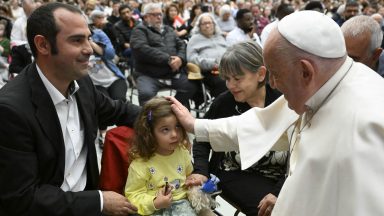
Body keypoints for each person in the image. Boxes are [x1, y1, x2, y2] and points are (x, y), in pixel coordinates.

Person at [168, 10, 384, 216]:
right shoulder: (324, 86)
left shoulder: (366, 125)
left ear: (306, 71)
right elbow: (264, 124)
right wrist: (196, 125)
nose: (272, 84)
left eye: (276, 75)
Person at [0, 3, 141, 215]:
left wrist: (163, 115)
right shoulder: (11, 110)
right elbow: (22, 199)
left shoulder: (81, 84)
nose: (89, 49)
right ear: (43, 45)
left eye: (89, 38)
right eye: (77, 40)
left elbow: (119, 111)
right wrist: (99, 201)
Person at [187, 41, 285, 216]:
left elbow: (298, 149)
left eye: (238, 79)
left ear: (261, 74)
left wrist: (278, 191)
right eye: (227, 79)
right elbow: (202, 138)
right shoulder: (224, 103)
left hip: (282, 175)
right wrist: (201, 171)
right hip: (234, 171)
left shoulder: (282, 99)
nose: (231, 85)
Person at [124, 96, 196, 215]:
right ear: (150, 133)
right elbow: (133, 196)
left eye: (177, 126)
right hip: (153, 210)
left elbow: (189, 175)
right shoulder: (140, 164)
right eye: (165, 130)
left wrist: (194, 182)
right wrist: (155, 203)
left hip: (183, 205)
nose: (174, 134)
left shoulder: (182, 152)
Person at [130, 3, 197, 107]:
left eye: (160, 14)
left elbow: (182, 45)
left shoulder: (168, 29)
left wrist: (180, 59)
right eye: (155, 14)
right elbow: (141, 49)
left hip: (172, 73)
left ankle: (171, 108)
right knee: (146, 94)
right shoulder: (139, 30)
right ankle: (150, 119)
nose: (159, 17)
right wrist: (168, 59)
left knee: (191, 86)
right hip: (148, 74)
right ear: (146, 17)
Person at [187, 13, 227, 99]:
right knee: (224, 82)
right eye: (204, 23)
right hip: (209, 72)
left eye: (210, 23)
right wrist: (212, 63)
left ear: (214, 24)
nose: (208, 26)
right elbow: (191, 58)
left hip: (227, 68)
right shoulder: (194, 39)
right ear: (199, 26)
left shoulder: (219, 36)